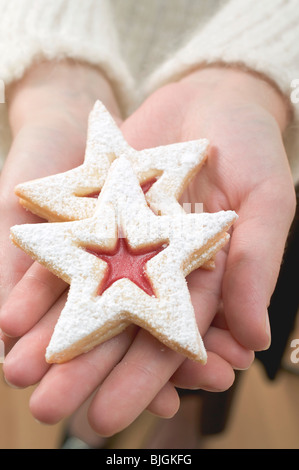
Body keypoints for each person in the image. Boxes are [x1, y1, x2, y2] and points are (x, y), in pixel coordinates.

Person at [0, 0, 298, 447]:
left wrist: (256, 79)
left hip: (241, 124)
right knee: (91, 353)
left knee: (230, 308)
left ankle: (188, 426)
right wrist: (51, 77)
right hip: (88, 80)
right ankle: (101, 417)